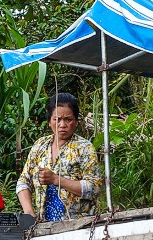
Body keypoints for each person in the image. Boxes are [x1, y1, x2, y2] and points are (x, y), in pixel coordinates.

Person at [16, 93, 104, 221]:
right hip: (44, 225)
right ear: (49, 122)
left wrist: (56, 180)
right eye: (57, 119)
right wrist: (29, 212)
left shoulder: (84, 148)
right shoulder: (40, 146)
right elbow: (23, 182)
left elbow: (94, 188)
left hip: (78, 225)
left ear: (76, 122)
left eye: (68, 119)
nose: (62, 124)